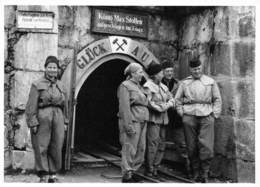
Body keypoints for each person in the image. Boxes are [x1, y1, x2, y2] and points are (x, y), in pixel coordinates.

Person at [175, 59, 222, 183]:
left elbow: (217, 99)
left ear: (202, 68)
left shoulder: (210, 82)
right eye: (194, 69)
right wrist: (181, 112)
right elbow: (177, 99)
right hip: (189, 115)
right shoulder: (184, 83)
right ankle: (195, 171)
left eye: (199, 68)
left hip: (207, 114)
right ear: (191, 70)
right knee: (191, 146)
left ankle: (205, 172)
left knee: (206, 146)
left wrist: (214, 115)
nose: (197, 71)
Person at [26, 56, 68, 183]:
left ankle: (53, 173)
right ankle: (43, 173)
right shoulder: (37, 84)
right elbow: (31, 105)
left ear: (58, 69)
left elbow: (65, 105)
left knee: (57, 145)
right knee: (41, 145)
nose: (52, 70)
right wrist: (33, 122)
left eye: (54, 67)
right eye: (49, 67)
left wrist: (65, 121)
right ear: (45, 68)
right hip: (43, 116)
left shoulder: (61, 85)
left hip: (58, 117)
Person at [117, 63, 149, 183]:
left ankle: (133, 171)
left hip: (143, 120)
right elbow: (124, 107)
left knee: (141, 148)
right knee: (129, 148)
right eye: (140, 72)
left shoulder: (140, 87)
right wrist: (128, 125)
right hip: (133, 120)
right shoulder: (125, 86)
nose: (142, 74)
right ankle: (127, 175)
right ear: (133, 73)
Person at [143, 62, 175, 178]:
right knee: (152, 144)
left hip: (163, 120)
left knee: (161, 144)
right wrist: (163, 107)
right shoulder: (148, 86)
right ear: (155, 75)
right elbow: (148, 102)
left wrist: (166, 105)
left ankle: (156, 167)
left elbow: (172, 99)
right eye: (161, 72)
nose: (163, 74)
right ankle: (149, 169)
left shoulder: (164, 87)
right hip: (153, 119)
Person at [161, 60, 191, 178]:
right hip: (162, 117)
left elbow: (187, 99)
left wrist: (177, 102)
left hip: (176, 119)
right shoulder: (158, 84)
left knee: (182, 144)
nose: (169, 73)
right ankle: (153, 168)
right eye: (167, 71)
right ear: (162, 72)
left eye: (171, 71)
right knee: (158, 143)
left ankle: (189, 169)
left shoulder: (179, 84)